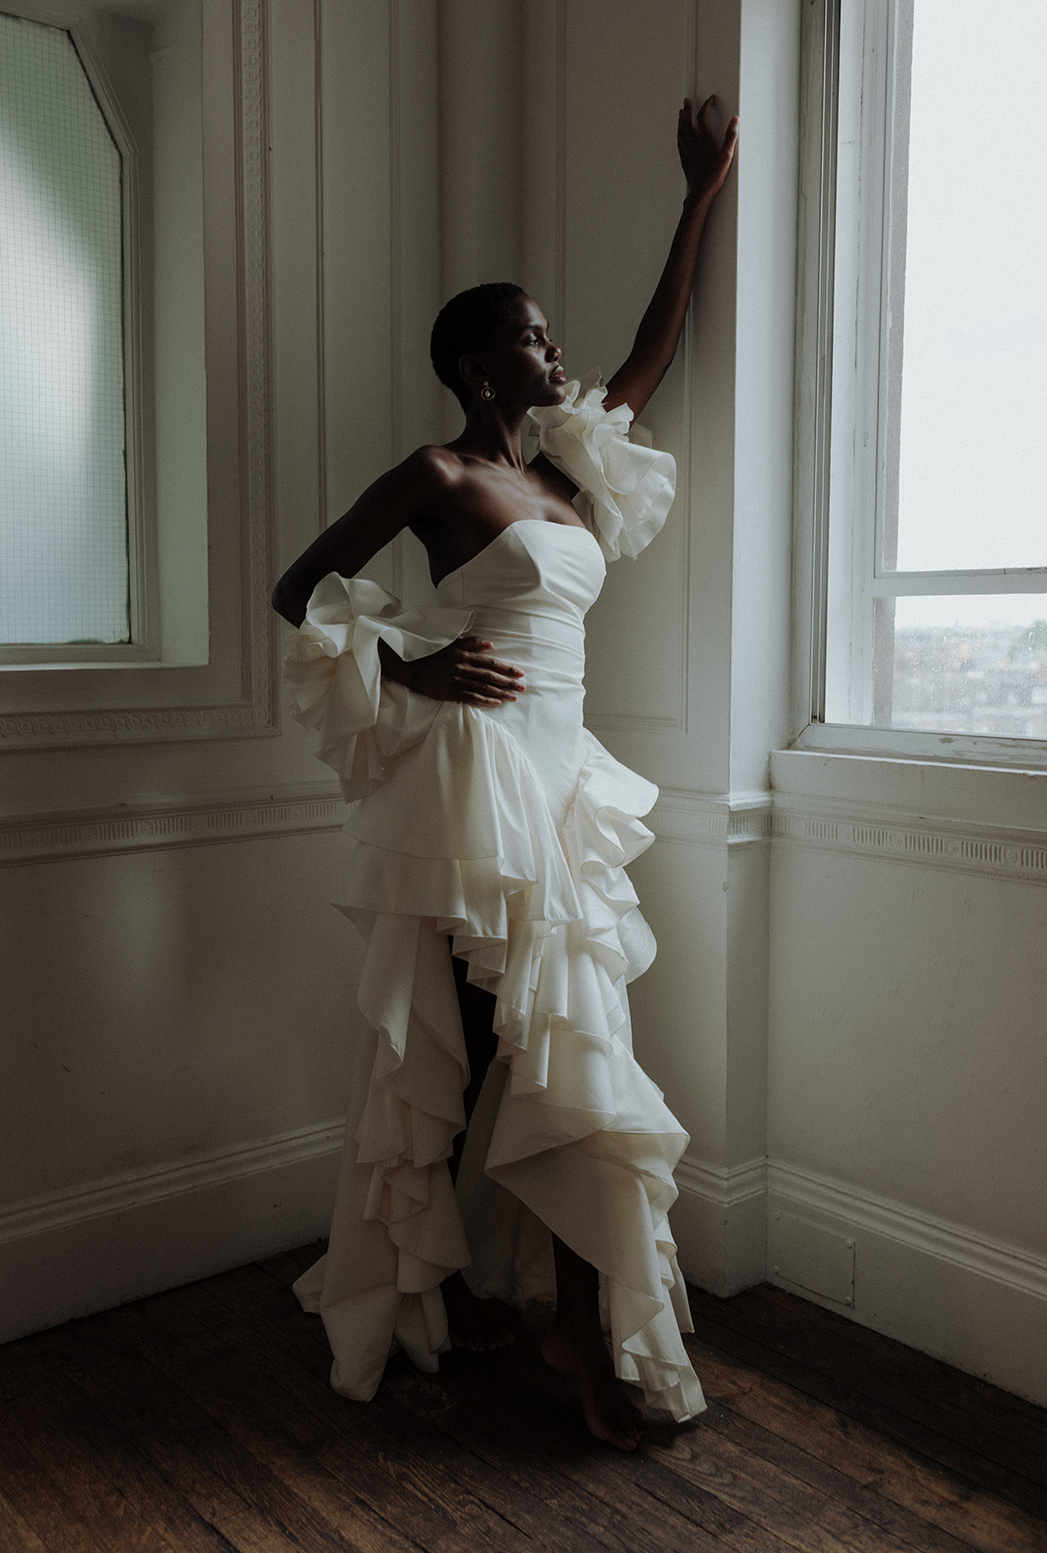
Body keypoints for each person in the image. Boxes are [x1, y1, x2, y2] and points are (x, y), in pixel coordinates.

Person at [273, 97, 738, 1451]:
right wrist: (410, 674)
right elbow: (300, 589)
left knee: (556, 1060)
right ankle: (492, 1309)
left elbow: (658, 349)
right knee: (485, 1064)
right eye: (530, 335)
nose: (554, 349)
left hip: (565, 782)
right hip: (476, 787)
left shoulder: (567, 473)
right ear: (478, 365)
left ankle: (561, 1325)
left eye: (549, 333)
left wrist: (699, 195)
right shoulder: (435, 474)